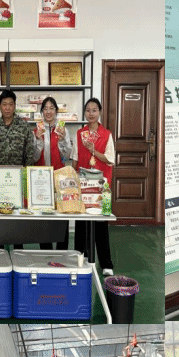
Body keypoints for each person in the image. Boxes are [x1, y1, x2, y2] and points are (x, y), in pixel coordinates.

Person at [74, 98, 115, 275]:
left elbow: (110, 159)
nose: (91, 113)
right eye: (88, 110)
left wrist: (93, 151)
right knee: (81, 222)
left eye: (94, 110)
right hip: (83, 184)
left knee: (101, 224)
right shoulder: (79, 133)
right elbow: (75, 157)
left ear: (100, 112)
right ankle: (80, 258)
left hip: (100, 185)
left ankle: (106, 264)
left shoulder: (106, 134)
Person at [32, 96, 73, 251]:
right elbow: (34, 157)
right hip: (41, 179)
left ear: (56, 111)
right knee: (43, 217)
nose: (48, 112)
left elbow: (67, 155)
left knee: (62, 214)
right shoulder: (36, 131)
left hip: (59, 177)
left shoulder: (63, 130)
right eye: (45, 109)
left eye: (51, 108)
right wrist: (38, 140)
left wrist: (62, 140)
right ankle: (46, 251)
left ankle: (62, 251)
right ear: (41, 112)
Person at [0, 89, 32, 168]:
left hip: (18, 173)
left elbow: (29, 155)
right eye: (4, 104)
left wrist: (26, 172)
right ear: (0, 106)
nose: (7, 108)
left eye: (10, 104)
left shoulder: (24, 127)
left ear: (14, 106)